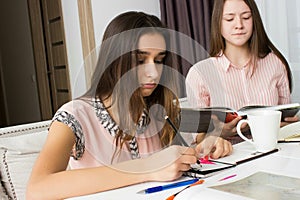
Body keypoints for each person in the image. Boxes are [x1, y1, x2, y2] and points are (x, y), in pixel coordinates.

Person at [26, 11, 232, 199]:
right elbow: (36, 190)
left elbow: (210, 124)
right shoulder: (75, 116)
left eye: (159, 60)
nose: (153, 72)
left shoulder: (158, 112)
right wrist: (148, 167)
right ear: (114, 60)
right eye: (140, 60)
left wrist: (210, 140)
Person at [186, 0, 299, 141]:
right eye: (229, 19)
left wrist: (287, 124)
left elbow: (286, 117)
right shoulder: (199, 73)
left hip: (273, 152)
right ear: (218, 23)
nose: (239, 25)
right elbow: (198, 138)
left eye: (246, 17)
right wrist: (219, 133)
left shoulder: (275, 63)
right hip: (229, 157)